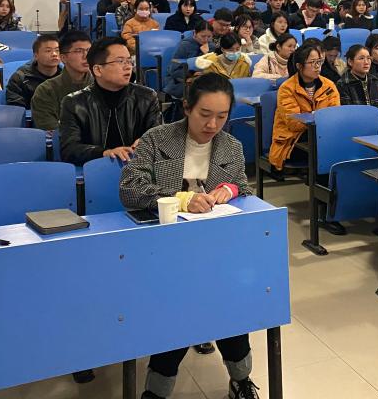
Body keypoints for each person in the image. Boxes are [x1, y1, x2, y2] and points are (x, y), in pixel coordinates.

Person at [118, 72, 258, 399]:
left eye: (221, 116)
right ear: (186, 107)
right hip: (165, 248)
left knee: (229, 306)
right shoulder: (157, 139)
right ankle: (158, 389)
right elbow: (130, 188)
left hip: (215, 247)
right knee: (177, 311)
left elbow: (244, 188)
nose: (212, 125)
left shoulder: (231, 146)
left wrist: (229, 189)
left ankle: (241, 379)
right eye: (204, 114)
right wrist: (181, 199)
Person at [58, 37, 161, 166]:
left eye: (129, 61)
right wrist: (104, 153)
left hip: (139, 167)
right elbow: (69, 150)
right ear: (98, 70)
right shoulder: (74, 103)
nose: (128, 67)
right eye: (120, 61)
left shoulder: (147, 97)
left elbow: (159, 137)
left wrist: (146, 142)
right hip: (95, 169)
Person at [270, 43, 340, 171]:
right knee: (324, 144)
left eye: (319, 62)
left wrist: (314, 118)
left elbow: (335, 116)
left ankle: (328, 180)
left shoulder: (329, 85)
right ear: (299, 66)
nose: (317, 66)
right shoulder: (287, 88)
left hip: (322, 135)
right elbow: (294, 123)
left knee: (336, 140)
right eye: (312, 62)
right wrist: (320, 119)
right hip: (293, 141)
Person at [32, 31, 93, 131]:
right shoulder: (46, 91)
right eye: (78, 51)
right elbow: (50, 128)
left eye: (89, 50)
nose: (86, 56)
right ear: (63, 58)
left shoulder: (104, 85)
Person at [5, 34, 61, 109]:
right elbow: (16, 110)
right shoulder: (20, 78)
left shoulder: (69, 76)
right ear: (36, 56)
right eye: (48, 51)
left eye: (57, 50)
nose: (54, 54)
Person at [164, 21, 213, 101]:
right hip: (181, 81)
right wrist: (191, 74)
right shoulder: (185, 45)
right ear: (195, 33)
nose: (206, 40)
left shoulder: (211, 46)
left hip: (205, 79)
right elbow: (173, 70)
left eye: (209, 36)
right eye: (203, 36)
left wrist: (206, 54)